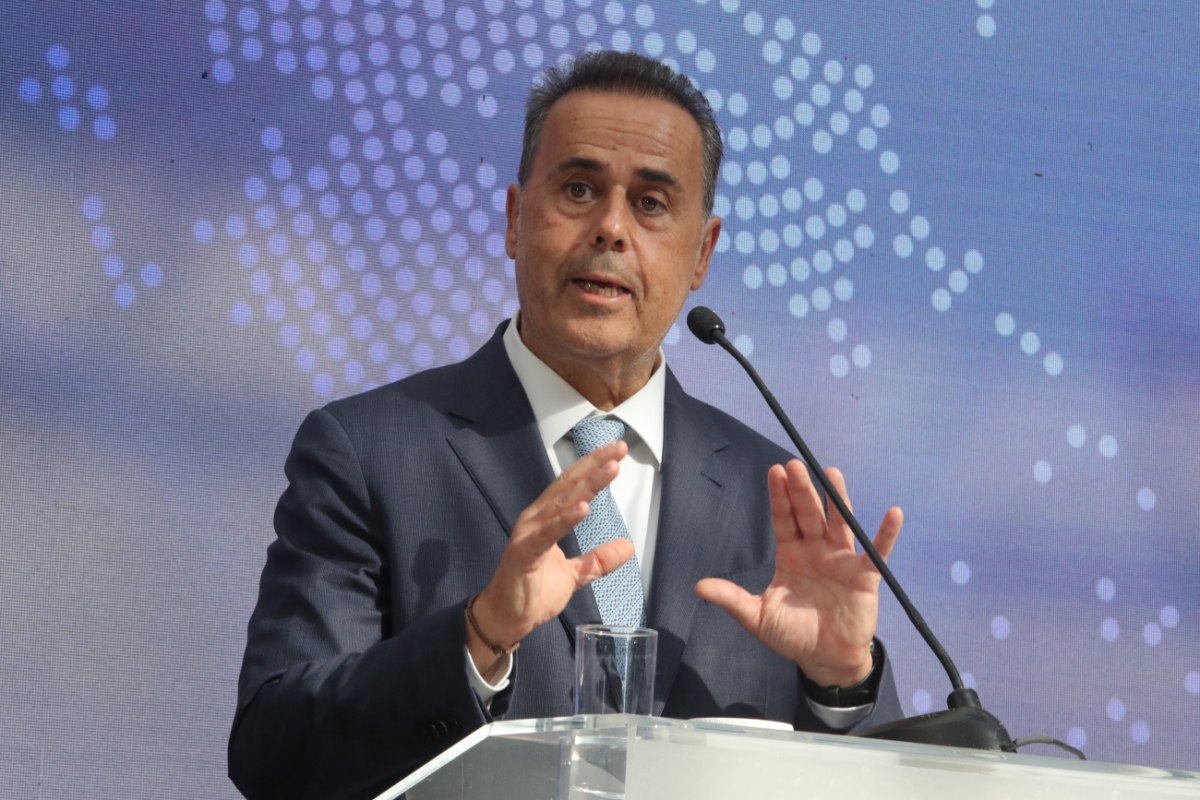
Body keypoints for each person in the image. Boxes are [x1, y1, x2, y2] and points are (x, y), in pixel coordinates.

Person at [229, 50, 905, 799]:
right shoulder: (370, 452)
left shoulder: (775, 498)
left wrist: (839, 684)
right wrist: (478, 636)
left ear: (702, 253)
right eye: (579, 190)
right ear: (515, 221)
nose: (610, 228)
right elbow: (273, 752)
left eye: (651, 203)